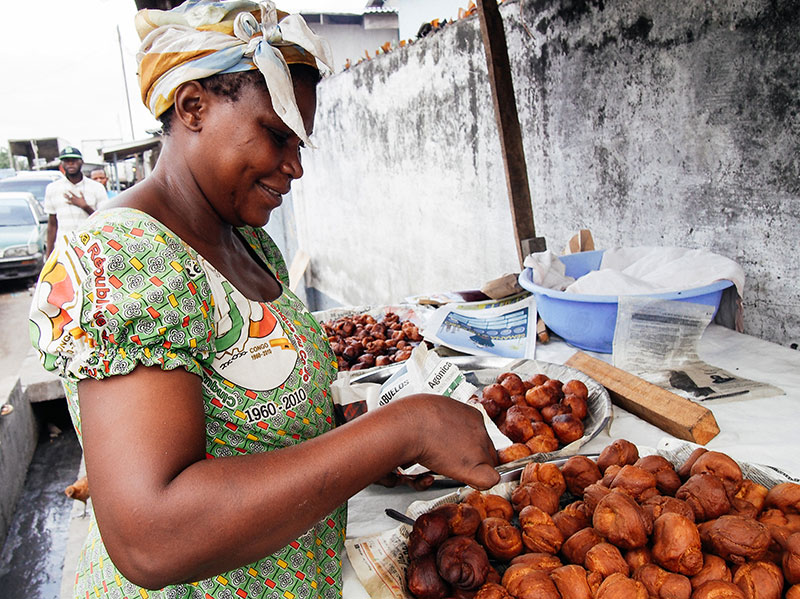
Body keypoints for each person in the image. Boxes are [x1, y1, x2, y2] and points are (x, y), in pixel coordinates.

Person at [29, 2, 499, 598]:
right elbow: (152, 536)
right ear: (193, 107)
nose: (295, 167)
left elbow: (250, 417)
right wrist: (401, 429)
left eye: (299, 142)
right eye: (276, 135)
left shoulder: (246, 240)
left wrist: (354, 440)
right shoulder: (123, 261)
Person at [43, 146, 108, 256]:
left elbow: (105, 220)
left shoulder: (96, 188)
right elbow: (52, 225)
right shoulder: (52, 188)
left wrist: (85, 206)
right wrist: (49, 255)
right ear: (62, 164)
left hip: (91, 248)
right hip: (64, 249)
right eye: (66, 161)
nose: (70, 164)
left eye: (74, 160)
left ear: (81, 162)